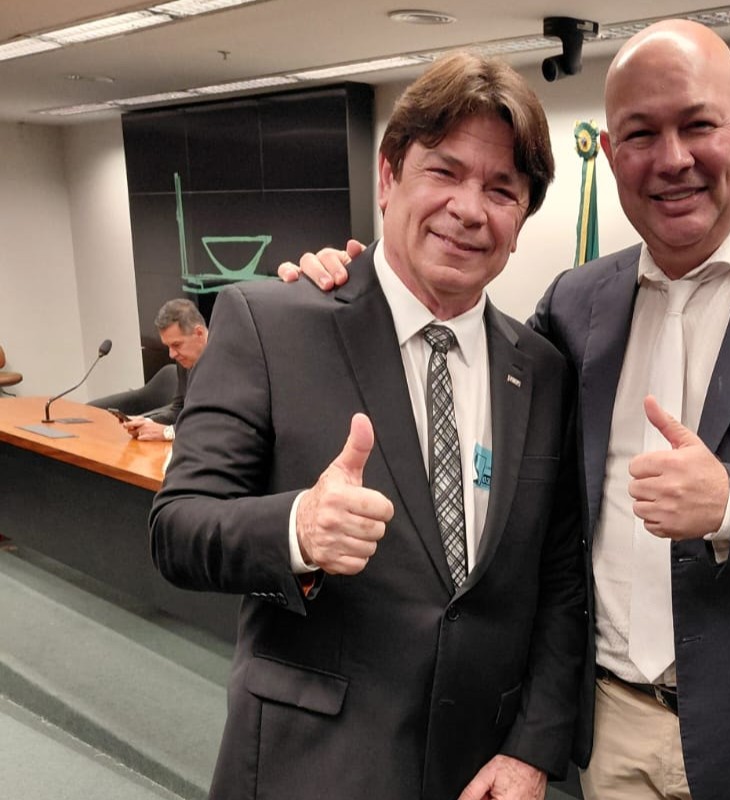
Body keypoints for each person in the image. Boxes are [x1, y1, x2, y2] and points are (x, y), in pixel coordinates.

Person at [281, 20, 730, 800]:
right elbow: (477, 395)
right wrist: (357, 285)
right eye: (641, 134)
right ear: (613, 152)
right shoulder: (577, 303)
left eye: (697, 125)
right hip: (607, 725)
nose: (673, 158)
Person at [150, 52, 586, 800]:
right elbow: (177, 528)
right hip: (310, 766)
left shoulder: (543, 370)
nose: (469, 209)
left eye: (501, 189)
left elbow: (559, 580)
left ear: (521, 220)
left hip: (477, 773)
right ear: (389, 176)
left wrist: (533, 749)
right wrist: (298, 529)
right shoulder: (269, 322)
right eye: (444, 172)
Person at [123, 298, 207, 441]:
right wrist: (147, 423)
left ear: (199, 333)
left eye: (176, 345)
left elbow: (219, 422)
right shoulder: (185, 359)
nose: (171, 355)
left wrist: (169, 432)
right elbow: (179, 409)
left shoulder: (228, 361)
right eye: (168, 346)